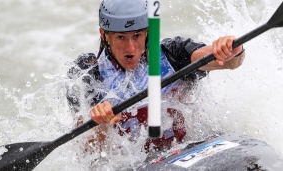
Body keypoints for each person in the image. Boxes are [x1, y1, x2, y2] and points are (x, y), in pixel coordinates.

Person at [66, 0, 245, 153]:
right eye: (121, 37)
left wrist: (232, 50)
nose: (130, 48)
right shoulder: (86, 73)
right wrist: (102, 124)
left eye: (137, 36)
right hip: (132, 164)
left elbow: (227, 62)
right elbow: (87, 153)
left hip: (189, 147)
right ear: (104, 34)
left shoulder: (172, 53)